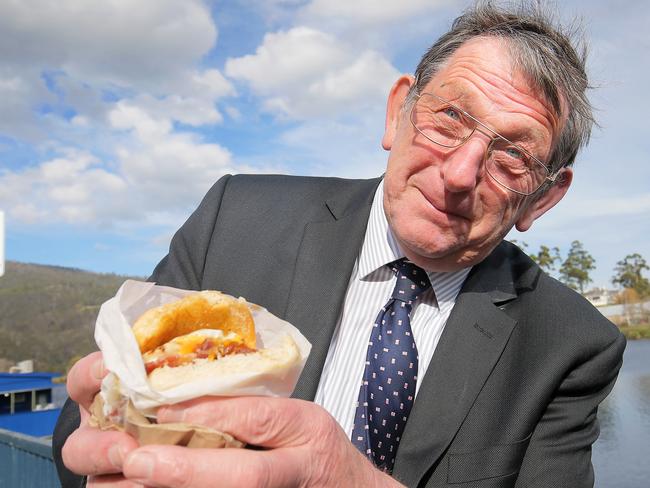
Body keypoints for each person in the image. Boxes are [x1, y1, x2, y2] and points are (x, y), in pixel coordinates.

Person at [52, 2, 626, 487]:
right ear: (398, 112)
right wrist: (112, 449)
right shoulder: (236, 218)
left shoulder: (570, 343)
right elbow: (78, 432)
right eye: (450, 117)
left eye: (513, 157)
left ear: (543, 198)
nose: (459, 173)